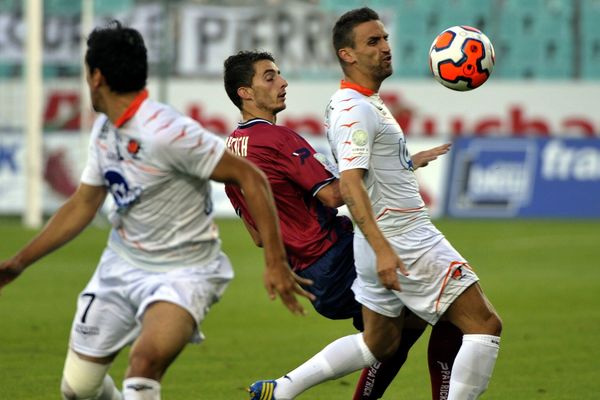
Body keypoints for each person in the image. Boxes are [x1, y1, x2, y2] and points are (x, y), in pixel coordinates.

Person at [0, 21, 313, 400]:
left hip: (185, 271)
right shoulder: (105, 131)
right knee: (78, 388)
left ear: (96, 77)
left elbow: (252, 177)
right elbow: (84, 202)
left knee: (143, 364)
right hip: (121, 266)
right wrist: (18, 262)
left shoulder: (168, 131)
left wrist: (275, 261)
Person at [247, 7, 502, 400]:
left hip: (377, 242)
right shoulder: (355, 110)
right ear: (346, 55)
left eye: (384, 38)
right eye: (373, 41)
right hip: (402, 237)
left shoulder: (355, 102)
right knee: (483, 325)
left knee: (381, 343)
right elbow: (349, 186)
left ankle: (282, 390)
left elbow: (363, 171)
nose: (386, 47)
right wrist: (384, 249)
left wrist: (404, 163)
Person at [223, 50, 463, 400]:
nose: (283, 82)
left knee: (396, 333)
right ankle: (285, 388)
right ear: (245, 92)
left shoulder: (231, 151)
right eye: (270, 76)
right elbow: (336, 195)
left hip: (310, 274)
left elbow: (258, 236)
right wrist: (397, 167)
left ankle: (285, 391)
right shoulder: (278, 139)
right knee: (450, 309)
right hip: (336, 258)